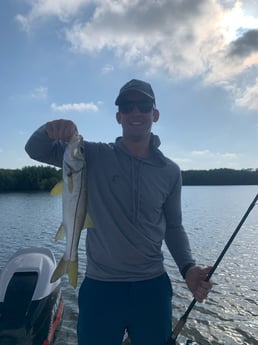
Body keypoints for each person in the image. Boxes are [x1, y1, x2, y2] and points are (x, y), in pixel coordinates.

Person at [25, 79, 212, 345]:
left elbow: (173, 227)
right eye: (127, 106)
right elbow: (35, 149)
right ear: (118, 116)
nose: (136, 112)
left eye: (144, 105)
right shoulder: (90, 154)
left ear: (154, 114)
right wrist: (49, 129)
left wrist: (188, 268)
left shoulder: (170, 171)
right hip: (101, 288)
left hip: (152, 288)